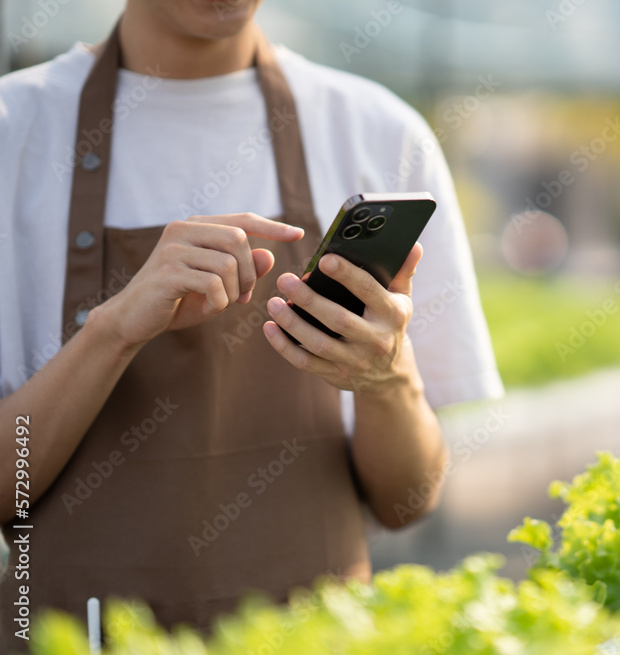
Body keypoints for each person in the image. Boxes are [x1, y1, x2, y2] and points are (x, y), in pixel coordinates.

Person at [0, 0, 503, 645]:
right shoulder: (17, 129)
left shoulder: (378, 131)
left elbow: (407, 502)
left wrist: (386, 379)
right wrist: (113, 331)